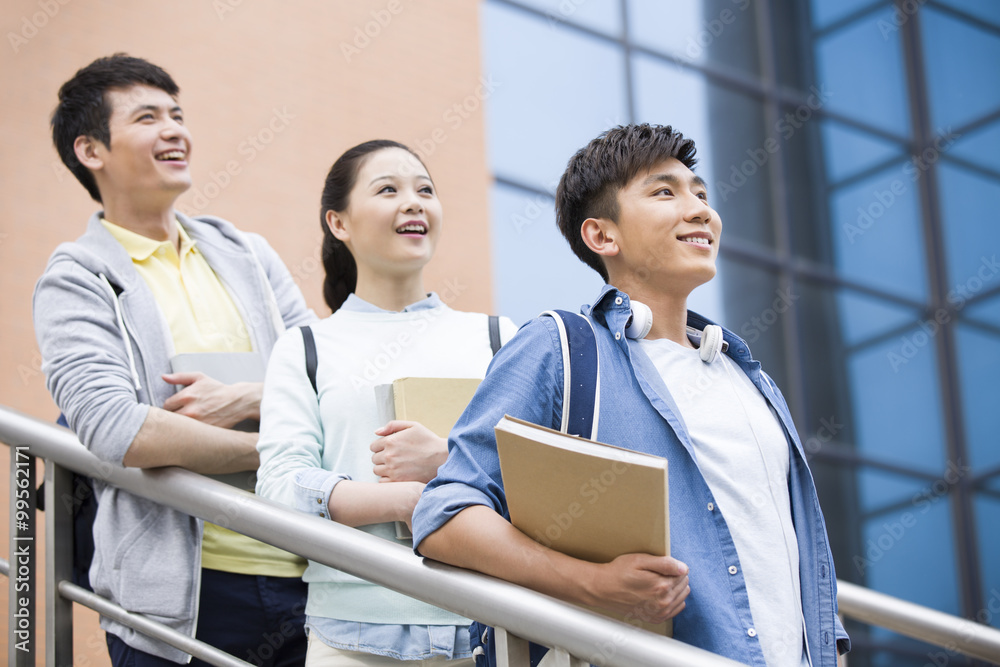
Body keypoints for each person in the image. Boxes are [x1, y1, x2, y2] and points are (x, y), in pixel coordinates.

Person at [412, 124, 850, 666]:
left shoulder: (748, 377)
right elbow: (445, 514)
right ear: (602, 237)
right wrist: (591, 583)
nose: (699, 210)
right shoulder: (561, 347)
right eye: (664, 192)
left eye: (701, 194)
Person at [34, 53, 316, 666]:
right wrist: (273, 446)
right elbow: (118, 428)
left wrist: (242, 400)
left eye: (178, 114)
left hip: (307, 570)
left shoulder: (247, 253)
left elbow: (329, 381)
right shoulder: (78, 276)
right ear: (91, 150)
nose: (175, 129)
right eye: (148, 117)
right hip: (177, 599)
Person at [255, 139, 517, 666]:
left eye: (425, 190)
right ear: (339, 223)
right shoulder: (307, 347)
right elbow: (280, 486)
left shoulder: (496, 337)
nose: (414, 202)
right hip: (348, 640)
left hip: (487, 630)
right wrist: (401, 501)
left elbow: (547, 479)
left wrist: (446, 459)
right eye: (388, 190)